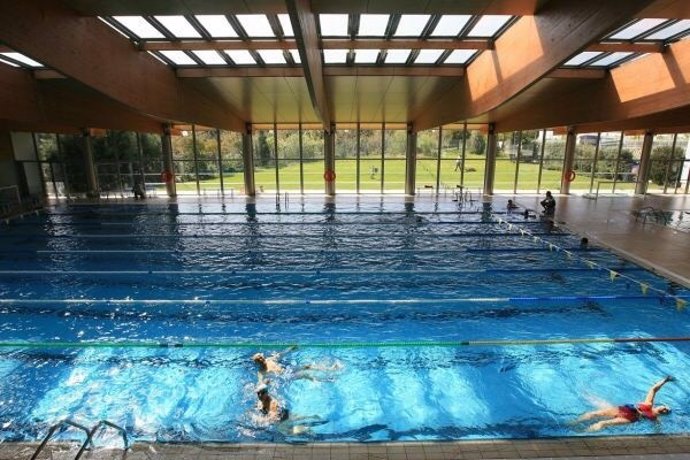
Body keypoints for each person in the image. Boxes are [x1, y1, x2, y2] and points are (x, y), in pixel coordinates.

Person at [575, 376, 674, 432]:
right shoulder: (648, 403)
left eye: (666, 411)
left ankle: (583, 433)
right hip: (622, 409)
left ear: (664, 415)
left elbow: (658, 429)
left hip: (628, 419)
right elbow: (653, 389)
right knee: (593, 414)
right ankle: (573, 423)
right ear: (661, 405)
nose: (664, 409)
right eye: (665, 407)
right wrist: (665, 381)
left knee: (603, 423)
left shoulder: (655, 419)